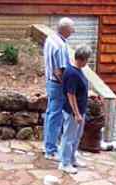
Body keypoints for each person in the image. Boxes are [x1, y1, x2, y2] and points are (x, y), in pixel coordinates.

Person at [43, 17, 74, 161]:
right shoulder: (61, 46)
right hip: (57, 84)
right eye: (72, 28)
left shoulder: (50, 39)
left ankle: (47, 145)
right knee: (55, 117)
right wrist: (67, 87)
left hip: (50, 82)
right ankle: (51, 150)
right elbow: (59, 71)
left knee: (50, 114)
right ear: (65, 30)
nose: (74, 31)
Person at [59, 45, 91, 175]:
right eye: (87, 59)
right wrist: (77, 114)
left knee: (77, 136)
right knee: (68, 137)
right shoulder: (72, 73)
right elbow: (70, 95)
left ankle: (72, 158)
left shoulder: (78, 70)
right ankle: (64, 163)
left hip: (80, 111)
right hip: (73, 112)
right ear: (83, 59)